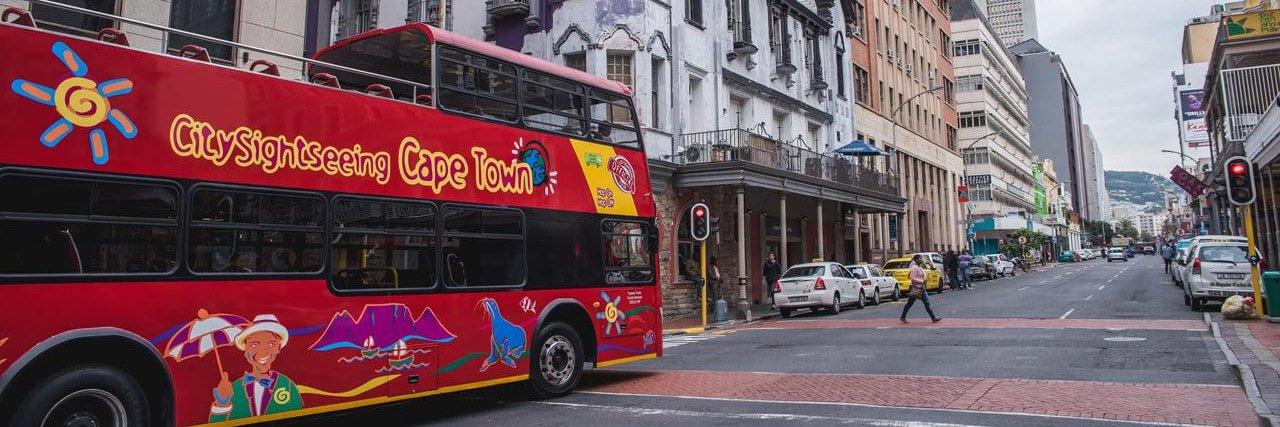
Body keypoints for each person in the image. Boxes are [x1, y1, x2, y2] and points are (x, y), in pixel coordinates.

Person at [900, 255, 941, 323]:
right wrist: (922, 281)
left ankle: (933, 317)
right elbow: (912, 278)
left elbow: (931, 269)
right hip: (916, 288)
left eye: (921, 258)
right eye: (920, 258)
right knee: (910, 303)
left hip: (921, 288)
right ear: (916, 260)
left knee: (926, 303)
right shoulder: (914, 267)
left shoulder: (920, 267)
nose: (921, 260)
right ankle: (903, 317)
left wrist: (929, 263)